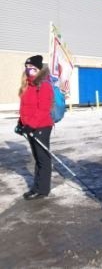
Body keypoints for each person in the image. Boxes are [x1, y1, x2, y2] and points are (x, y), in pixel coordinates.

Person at [15, 55, 54, 200]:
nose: (29, 70)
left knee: (43, 158)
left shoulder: (44, 85)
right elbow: (26, 108)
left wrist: (31, 125)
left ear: (38, 69)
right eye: (27, 67)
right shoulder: (28, 85)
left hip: (42, 126)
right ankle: (37, 187)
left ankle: (42, 189)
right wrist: (21, 123)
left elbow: (43, 109)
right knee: (37, 158)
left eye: (32, 68)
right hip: (31, 126)